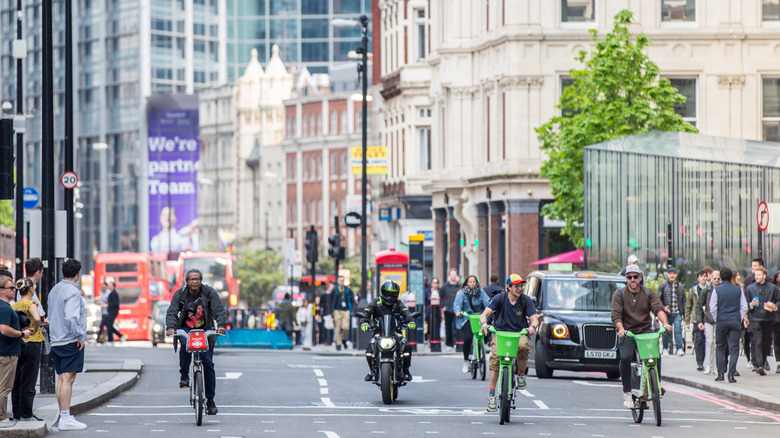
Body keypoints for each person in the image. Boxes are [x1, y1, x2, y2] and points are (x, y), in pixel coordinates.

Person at [165, 268, 227, 416]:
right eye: (192, 279)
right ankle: (184, 375)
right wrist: (171, 328)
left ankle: (210, 400)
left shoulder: (209, 293)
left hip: (205, 330)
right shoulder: (180, 295)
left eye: (197, 279)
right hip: (186, 328)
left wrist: (221, 325)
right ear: (187, 281)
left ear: (201, 281)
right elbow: (172, 312)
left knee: (208, 364)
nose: (195, 282)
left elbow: (219, 310)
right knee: (185, 347)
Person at [611, 265, 672, 409]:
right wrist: (621, 330)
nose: (633, 280)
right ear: (626, 278)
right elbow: (616, 315)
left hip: (645, 330)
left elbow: (658, 308)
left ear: (640, 278)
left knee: (655, 355)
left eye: (635, 277)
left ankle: (657, 383)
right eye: (629, 277)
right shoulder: (619, 294)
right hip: (627, 332)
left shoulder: (648, 293)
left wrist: (666, 324)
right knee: (625, 357)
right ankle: (627, 392)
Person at [479, 274, 540, 412]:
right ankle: (491, 395)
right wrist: (484, 324)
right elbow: (484, 315)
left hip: (519, 333)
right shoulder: (499, 298)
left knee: (524, 347)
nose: (520, 288)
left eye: (521, 286)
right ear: (508, 287)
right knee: (495, 358)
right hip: (500, 333)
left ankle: (521, 375)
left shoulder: (526, 300)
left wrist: (532, 327)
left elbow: (534, 319)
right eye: (516, 286)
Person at [47, 259, 88, 430]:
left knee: (62, 379)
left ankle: (63, 414)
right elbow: (71, 317)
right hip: (70, 340)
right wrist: (79, 335)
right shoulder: (73, 292)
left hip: (56, 340)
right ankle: (65, 417)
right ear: (78, 274)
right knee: (68, 379)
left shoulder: (55, 290)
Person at [360, 280, 415, 382]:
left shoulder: (398, 303)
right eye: (387, 294)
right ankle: (372, 370)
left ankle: (406, 370)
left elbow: (406, 312)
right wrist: (364, 322)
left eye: (392, 294)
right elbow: (366, 312)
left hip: (395, 332)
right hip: (379, 333)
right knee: (369, 350)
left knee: (406, 347)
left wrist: (410, 320)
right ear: (382, 292)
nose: (389, 297)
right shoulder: (375, 302)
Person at [0, 276, 32, 426]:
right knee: (4, 388)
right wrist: (22, 334)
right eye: (11, 288)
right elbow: (4, 329)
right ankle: (2, 416)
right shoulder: (5, 308)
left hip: (5, 351)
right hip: (7, 353)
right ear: (1, 290)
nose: (14, 290)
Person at [11, 278, 43, 421]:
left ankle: (17, 413)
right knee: (29, 379)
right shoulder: (31, 303)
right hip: (32, 342)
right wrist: (35, 329)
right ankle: (27, 414)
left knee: (17, 379)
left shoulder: (15, 305)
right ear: (31, 289)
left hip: (19, 341)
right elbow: (36, 318)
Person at [710, 267, 748, 383]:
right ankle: (731, 375)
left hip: (721, 321)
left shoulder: (716, 290)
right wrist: (739, 318)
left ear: (721, 277)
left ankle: (721, 373)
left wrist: (718, 319)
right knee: (734, 348)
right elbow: (744, 307)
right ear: (731, 277)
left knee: (720, 346)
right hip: (735, 321)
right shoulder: (738, 290)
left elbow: (712, 308)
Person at [744, 266, 779, 375]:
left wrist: (774, 306)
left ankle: (763, 362)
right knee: (757, 340)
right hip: (755, 318)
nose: (757, 277)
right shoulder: (750, 288)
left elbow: (778, 301)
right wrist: (751, 305)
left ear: (764, 276)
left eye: (759, 275)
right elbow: (746, 303)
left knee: (766, 342)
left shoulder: (773, 288)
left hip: (768, 318)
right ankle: (759, 365)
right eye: (755, 275)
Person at [453, 275, 490, 374]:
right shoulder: (461, 293)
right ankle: (466, 361)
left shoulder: (481, 292)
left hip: (479, 317)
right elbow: (457, 305)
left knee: (486, 331)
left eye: (474, 282)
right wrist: (458, 312)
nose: (472, 284)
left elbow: (488, 303)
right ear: (466, 283)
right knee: (468, 338)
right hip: (467, 318)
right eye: (470, 282)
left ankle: (481, 347)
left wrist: (490, 310)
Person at [696, 269, 721, 375]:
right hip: (708, 320)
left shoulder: (721, 289)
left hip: (719, 320)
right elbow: (699, 305)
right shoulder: (707, 290)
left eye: (718, 279)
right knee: (709, 342)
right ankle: (708, 366)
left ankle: (716, 367)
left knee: (717, 344)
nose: (716, 280)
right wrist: (699, 321)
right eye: (714, 278)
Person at [658, 266, 685, 356]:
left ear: (676, 275)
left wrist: (684, 315)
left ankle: (679, 348)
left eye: (674, 273)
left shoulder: (680, 287)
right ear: (668, 275)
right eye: (670, 273)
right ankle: (665, 348)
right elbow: (658, 299)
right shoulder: (663, 285)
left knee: (678, 330)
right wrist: (663, 308)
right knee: (666, 331)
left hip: (677, 312)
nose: (672, 275)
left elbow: (684, 301)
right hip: (666, 313)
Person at [685, 269, 707, 370]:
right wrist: (687, 320)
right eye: (701, 276)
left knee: (708, 341)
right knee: (699, 340)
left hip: (707, 318)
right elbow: (688, 306)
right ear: (698, 278)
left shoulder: (709, 289)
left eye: (705, 276)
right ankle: (700, 362)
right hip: (696, 319)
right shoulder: (693, 290)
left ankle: (707, 361)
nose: (703, 278)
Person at [439, 268, 461, 351]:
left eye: (455, 275)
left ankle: (456, 343)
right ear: (449, 276)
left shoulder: (460, 286)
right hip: (447, 310)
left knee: (457, 327)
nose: (454, 276)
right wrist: (443, 307)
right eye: (452, 275)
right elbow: (440, 297)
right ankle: (449, 344)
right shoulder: (444, 286)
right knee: (448, 327)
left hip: (457, 310)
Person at [330, 276, 354, 351]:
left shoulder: (347, 290)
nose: (341, 282)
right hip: (337, 310)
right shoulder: (335, 290)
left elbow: (352, 299)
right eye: (340, 280)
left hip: (346, 310)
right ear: (337, 281)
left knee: (346, 327)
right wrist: (332, 311)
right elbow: (331, 300)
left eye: (342, 280)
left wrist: (352, 309)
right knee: (338, 328)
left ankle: (344, 339)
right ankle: (339, 344)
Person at [97, 279, 122, 345]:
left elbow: (115, 303)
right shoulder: (111, 293)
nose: (109, 286)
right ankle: (119, 337)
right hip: (110, 311)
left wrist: (107, 305)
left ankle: (113, 340)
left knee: (109, 325)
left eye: (110, 285)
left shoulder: (114, 293)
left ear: (113, 286)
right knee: (109, 326)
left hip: (112, 312)